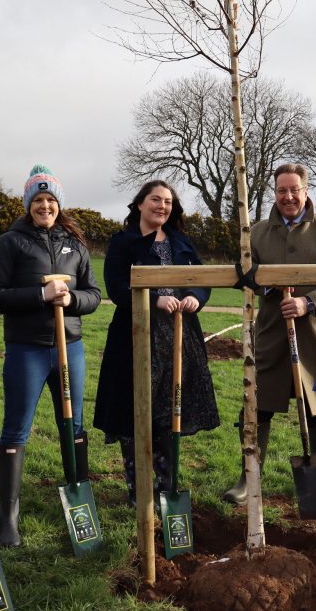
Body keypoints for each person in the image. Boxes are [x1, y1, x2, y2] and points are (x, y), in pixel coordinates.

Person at [0, 164, 102, 547]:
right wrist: (39, 297)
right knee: (17, 427)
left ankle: (79, 500)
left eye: (51, 199)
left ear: (59, 204)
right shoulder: (10, 243)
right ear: (28, 204)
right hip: (27, 349)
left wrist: (71, 300)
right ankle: (9, 516)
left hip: (70, 348)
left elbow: (94, 295)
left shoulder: (76, 244)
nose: (45, 206)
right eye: (38, 199)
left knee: (75, 425)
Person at [222, 163, 316, 507]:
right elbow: (244, 274)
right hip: (272, 333)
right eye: (282, 191)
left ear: (306, 191)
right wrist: (272, 289)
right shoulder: (258, 232)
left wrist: (309, 302)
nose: (289, 197)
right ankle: (248, 477)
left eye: (295, 190)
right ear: (274, 193)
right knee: (257, 403)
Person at [94, 180, 220, 506]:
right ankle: (140, 493)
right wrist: (154, 300)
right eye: (155, 199)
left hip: (178, 337)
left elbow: (202, 280)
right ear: (140, 204)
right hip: (135, 337)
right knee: (134, 415)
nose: (161, 206)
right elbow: (116, 287)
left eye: (167, 201)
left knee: (169, 417)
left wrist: (195, 297)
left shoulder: (182, 241)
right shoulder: (123, 243)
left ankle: (167, 490)